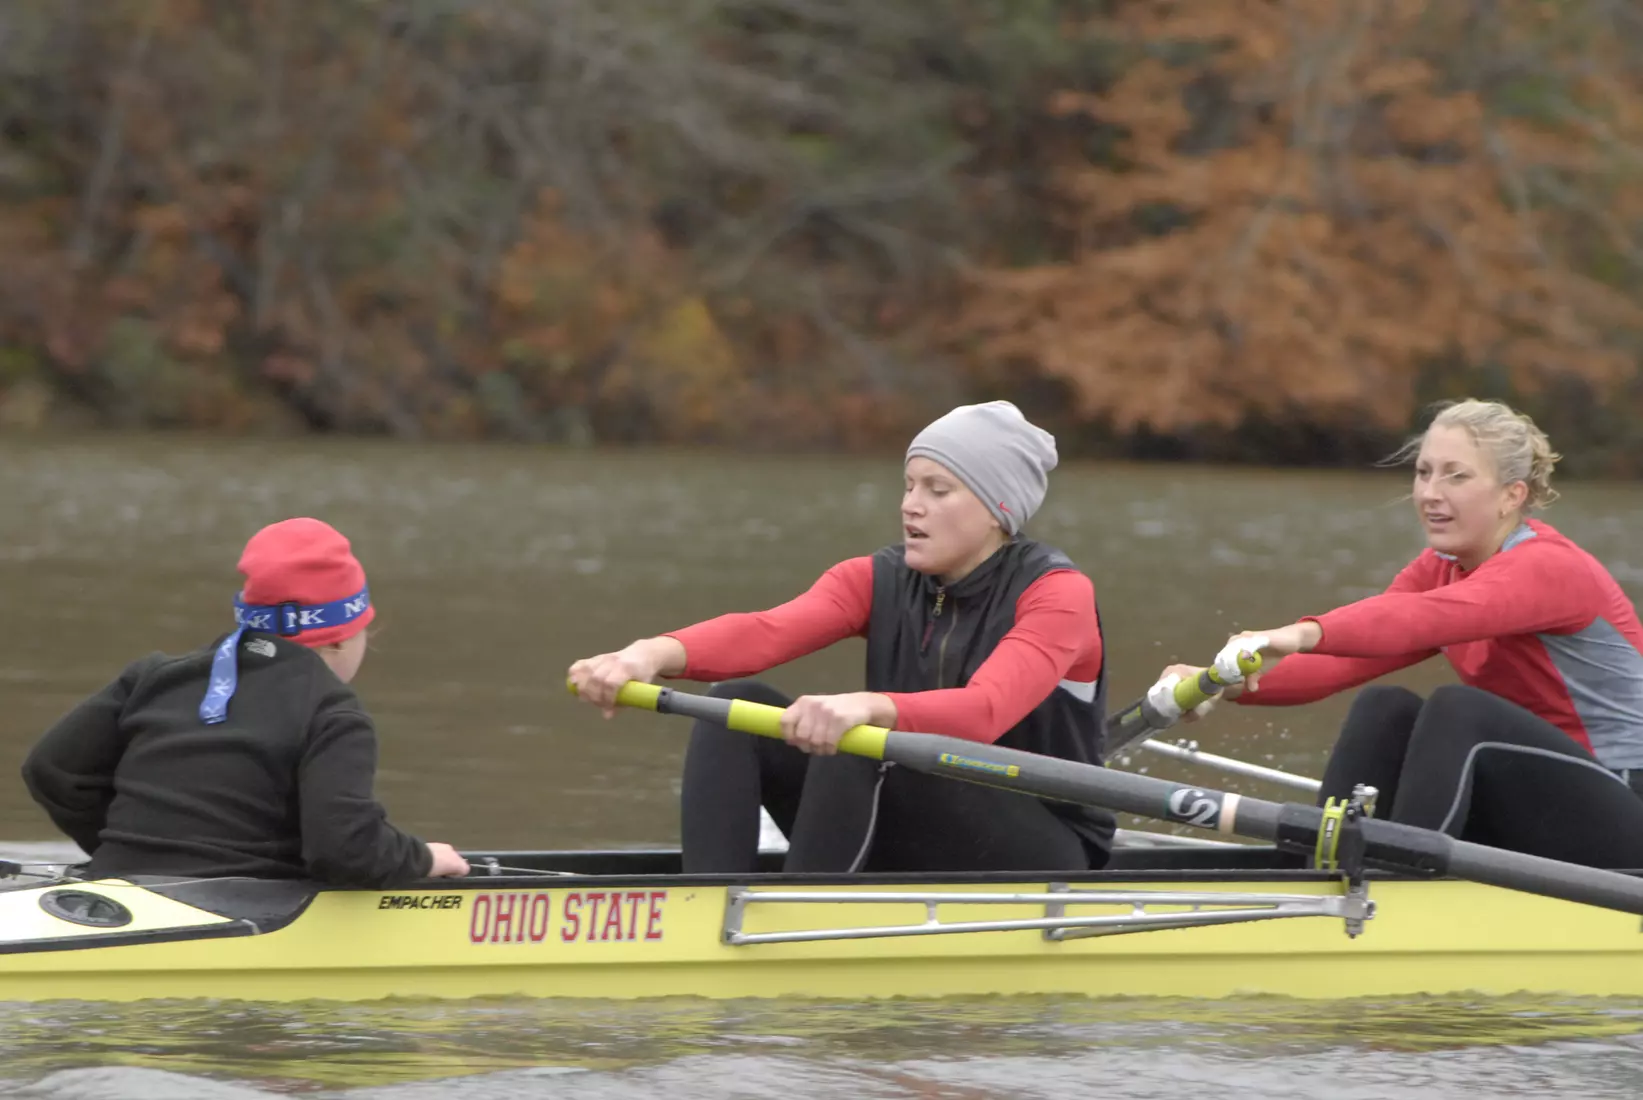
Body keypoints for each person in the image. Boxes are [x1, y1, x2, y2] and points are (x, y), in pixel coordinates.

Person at [568, 400, 1114, 874]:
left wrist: (868, 706)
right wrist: (646, 655)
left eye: (938, 490)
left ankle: (795, 921)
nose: (911, 504)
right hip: (904, 804)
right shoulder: (876, 578)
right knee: (735, 706)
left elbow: (985, 709)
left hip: (1043, 844)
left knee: (855, 738)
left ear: (999, 509)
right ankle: (708, 902)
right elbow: (764, 632)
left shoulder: (1057, 595)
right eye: (909, 485)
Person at [1153, 398, 1643, 869]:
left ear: (1511, 496)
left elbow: (1420, 618)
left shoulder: (1550, 569)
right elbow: (1342, 661)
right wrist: (1215, 681)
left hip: (1622, 806)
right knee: (1384, 706)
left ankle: (1397, 885)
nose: (1430, 493)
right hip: (1538, 801)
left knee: (1457, 710)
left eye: (1456, 476)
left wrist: (1299, 633)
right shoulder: (1440, 568)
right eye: (1424, 472)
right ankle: (1320, 871)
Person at [21, 518, 470, 887]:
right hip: (232, 912)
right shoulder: (332, 712)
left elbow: (52, 771)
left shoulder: (156, 676)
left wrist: (135, 848)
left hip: (115, 884)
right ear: (339, 636)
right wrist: (423, 859)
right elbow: (346, 851)